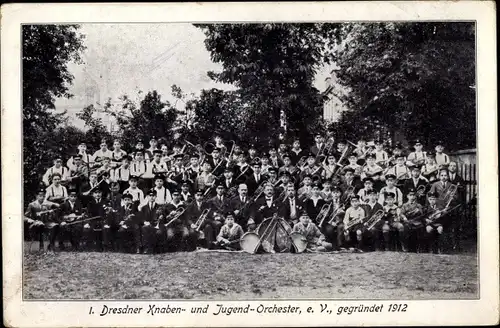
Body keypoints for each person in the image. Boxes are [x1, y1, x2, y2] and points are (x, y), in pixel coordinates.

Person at [82, 187, 108, 251]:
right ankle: (89, 246)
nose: (97, 194)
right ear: (93, 194)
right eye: (95, 193)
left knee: (105, 228)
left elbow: (108, 214)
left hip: (103, 220)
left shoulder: (106, 202)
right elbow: (88, 213)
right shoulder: (90, 203)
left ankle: (105, 246)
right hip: (93, 220)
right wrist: (87, 222)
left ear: (101, 193)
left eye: (99, 192)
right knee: (88, 228)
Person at [399, 188, 424, 252]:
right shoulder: (404, 205)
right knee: (406, 229)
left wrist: (418, 211)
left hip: (417, 221)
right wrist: (404, 217)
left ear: (415, 196)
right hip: (408, 221)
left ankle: (419, 247)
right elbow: (401, 214)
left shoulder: (418, 205)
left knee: (421, 228)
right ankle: (406, 247)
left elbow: (422, 214)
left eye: (413, 195)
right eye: (410, 195)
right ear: (407, 196)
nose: (412, 197)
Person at [139, 189, 162, 254]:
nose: (152, 197)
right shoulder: (143, 207)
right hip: (147, 225)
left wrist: (161, 217)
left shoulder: (160, 207)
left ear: (156, 196)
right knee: (144, 228)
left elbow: (162, 218)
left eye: (153, 195)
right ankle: (146, 248)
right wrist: (144, 222)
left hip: (156, 225)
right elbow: (141, 218)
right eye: (150, 195)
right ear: (147, 196)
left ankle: (154, 249)